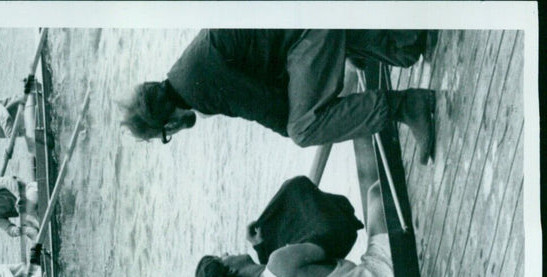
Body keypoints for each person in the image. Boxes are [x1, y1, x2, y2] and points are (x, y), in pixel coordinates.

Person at [121, 30, 435, 160]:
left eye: (166, 134)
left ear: (168, 124)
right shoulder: (186, 72)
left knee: (303, 128)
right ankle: (403, 35)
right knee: (407, 49)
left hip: (306, 31)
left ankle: (408, 105)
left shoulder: (201, 87)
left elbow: (276, 112)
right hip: (299, 24)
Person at [196, 174, 400, 277]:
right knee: (377, 193)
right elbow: (339, 234)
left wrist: (261, 247)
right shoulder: (279, 264)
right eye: (220, 258)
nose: (225, 253)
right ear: (230, 270)